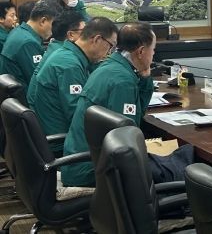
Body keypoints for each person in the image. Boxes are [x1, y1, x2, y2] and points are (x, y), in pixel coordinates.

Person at [62, 22, 193, 187]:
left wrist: (145, 78)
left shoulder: (111, 66)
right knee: (184, 166)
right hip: (94, 170)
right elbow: (128, 137)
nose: (153, 54)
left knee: (178, 157)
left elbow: (137, 112)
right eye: (153, 49)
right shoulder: (123, 81)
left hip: (84, 162)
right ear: (141, 51)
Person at [28, 18, 118, 153]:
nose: (109, 52)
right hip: (61, 145)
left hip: (51, 135)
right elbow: (78, 116)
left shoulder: (66, 53)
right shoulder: (70, 67)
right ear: (97, 39)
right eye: (110, 46)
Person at [27, 10, 86, 105]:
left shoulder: (56, 47)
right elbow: (74, 108)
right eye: (85, 31)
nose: (89, 35)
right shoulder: (67, 61)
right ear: (71, 35)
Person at [0, 0, 60, 91]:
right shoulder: (28, 43)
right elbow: (39, 81)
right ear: (43, 21)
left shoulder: (19, 30)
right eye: (53, 24)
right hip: (24, 95)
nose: (54, 29)